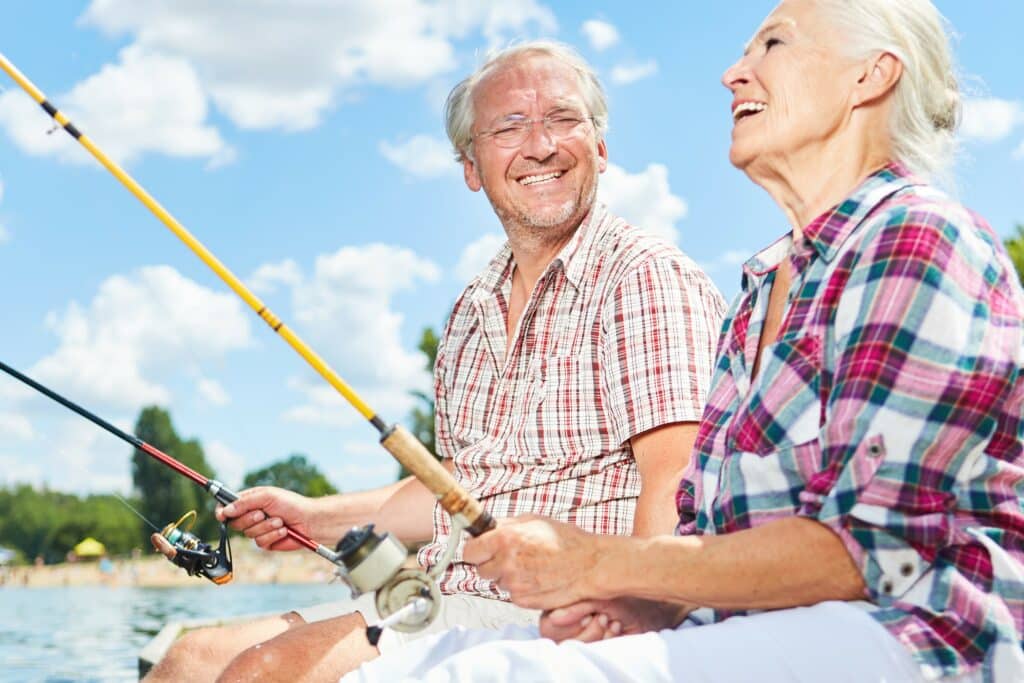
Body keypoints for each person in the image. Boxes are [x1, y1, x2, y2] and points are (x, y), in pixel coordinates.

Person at [343, 1, 1024, 681]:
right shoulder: (759, 290)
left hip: (916, 640)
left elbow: (871, 551)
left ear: (869, 77)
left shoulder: (918, 239)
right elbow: (709, 538)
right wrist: (642, 607)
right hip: (751, 628)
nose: (733, 74)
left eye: (773, 44)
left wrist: (598, 560)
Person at [144, 41, 725, 683]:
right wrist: (316, 515)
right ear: (470, 165)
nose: (540, 146)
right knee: (188, 660)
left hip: (557, 614)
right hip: (436, 599)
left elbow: (679, 479)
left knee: (265, 673)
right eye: (509, 126)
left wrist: (632, 622)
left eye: (563, 120)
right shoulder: (470, 309)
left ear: (601, 147)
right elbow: (456, 486)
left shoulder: (648, 279)